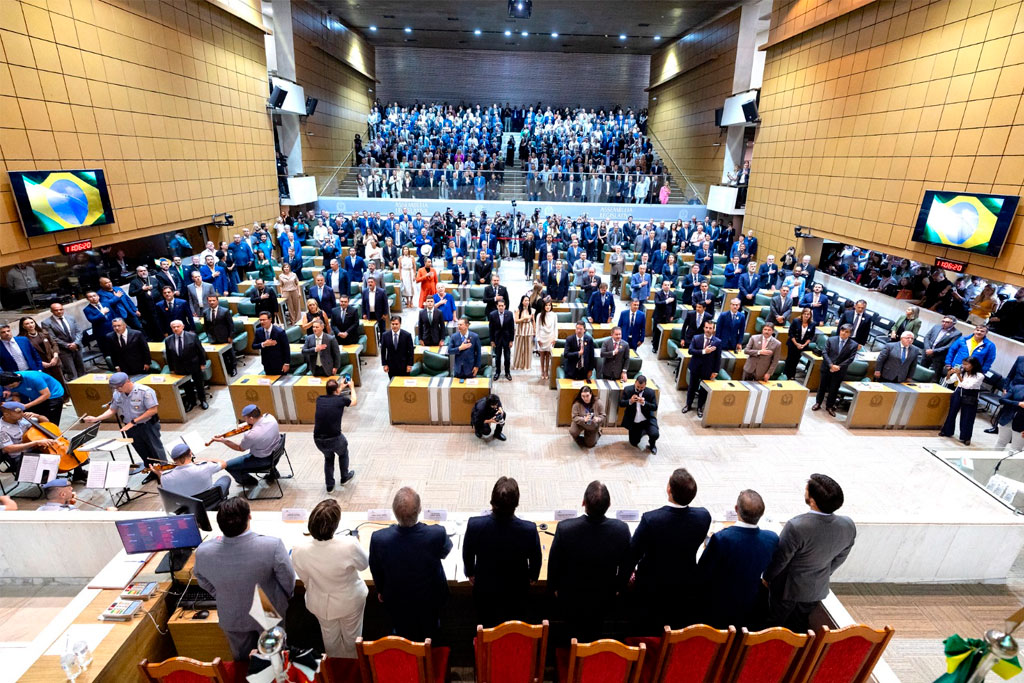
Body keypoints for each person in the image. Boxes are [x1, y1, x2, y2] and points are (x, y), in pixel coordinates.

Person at [194, 497, 295, 661]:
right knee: (274, 658)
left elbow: (201, 578)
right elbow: (288, 579)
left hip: (231, 612)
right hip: (267, 611)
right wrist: (283, 597)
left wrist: (220, 593)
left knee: (242, 662)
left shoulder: (203, 551)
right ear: (249, 516)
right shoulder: (272, 546)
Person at [764, 474, 856, 631]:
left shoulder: (797, 526)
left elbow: (781, 559)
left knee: (773, 625)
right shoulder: (848, 525)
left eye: (807, 490)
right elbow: (839, 559)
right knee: (799, 626)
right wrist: (822, 573)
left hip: (787, 590)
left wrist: (767, 577)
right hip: (816, 589)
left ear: (812, 501)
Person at [547, 481, 631, 642]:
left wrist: (554, 588)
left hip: (569, 597)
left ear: (583, 502)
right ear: (610, 504)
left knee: (571, 631)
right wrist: (619, 587)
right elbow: (627, 564)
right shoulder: (621, 529)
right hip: (604, 597)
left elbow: (554, 563)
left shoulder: (565, 528)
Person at [629, 469, 712, 631]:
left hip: (651, 585)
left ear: (669, 490)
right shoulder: (703, 516)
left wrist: (627, 576)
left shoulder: (651, 519)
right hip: (684, 583)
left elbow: (633, 553)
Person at [368, 487, 452, 641]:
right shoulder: (436, 534)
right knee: (431, 630)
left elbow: (375, 568)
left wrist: (381, 590)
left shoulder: (379, 539)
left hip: (397, 600)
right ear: (419, 509)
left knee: (402, 629)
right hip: (431, 599)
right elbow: (445, 551)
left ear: (393, 512)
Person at [291, 499, 369, 658]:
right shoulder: (350, 544)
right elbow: (364, 565)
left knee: (329, 639)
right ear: (335, 525)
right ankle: (353, 668)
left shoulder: (298, 549)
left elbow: (305, 579)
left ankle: (335, 668)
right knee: (352, 637)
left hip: (320, 603)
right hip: (350, 601)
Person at [462, 476, 542, 626]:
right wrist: (533, 576)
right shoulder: (529, 530)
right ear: (516, 503)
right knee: (515, 623)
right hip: (517, 592)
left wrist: (470, 572)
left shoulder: (475, 525)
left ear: (492, 501)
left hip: (485, 590)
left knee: (486, 622)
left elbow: (467, 553)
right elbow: (536, 559)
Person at [696, 489, 779, 629]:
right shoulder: (771, 538)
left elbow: (703, 569)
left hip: (719, 605)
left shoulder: (721, 539)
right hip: (751, 604)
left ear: (736, 509)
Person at [84, 373, 166, 467]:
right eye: (115, 388)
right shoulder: (117, 394)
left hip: (147, 425)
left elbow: (153, 410)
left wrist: (133, 422)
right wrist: (96, 418)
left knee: (155, 449)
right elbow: (112, 409)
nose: (118, 389)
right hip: (130, 427)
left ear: (128, 381)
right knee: (141, 450)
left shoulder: (145, 391)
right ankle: (151, 469)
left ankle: (164, 470)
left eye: (120, 386)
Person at [215, 404, 282, 487]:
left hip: (263, 460)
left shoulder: (251, 435)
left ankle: (250, 482)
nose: (245, 422)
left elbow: (240, 448)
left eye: (245, 419)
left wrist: (223, 440)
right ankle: (274, 473)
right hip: (276, 454)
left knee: (228, 465)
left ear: (251, 418)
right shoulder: (270, 417)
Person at [313, 378, 356, 491]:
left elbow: (333, 396)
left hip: (318, 440)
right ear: (336, 390)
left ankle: (330, 485)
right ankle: (344, 477)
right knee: (343, 453)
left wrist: (340, 388)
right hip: (334, 438)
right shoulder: (341, 400)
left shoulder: (319, 399)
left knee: (328, 458)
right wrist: (351, 387)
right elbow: (354, 402)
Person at [159, 442, 230, 509]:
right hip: (211, 501)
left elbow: (166, 487)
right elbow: (224, 463)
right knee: (225, 478)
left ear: (173, 459)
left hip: (188, 508)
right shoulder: (205, 467)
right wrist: (207, 459)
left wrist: (159, 474)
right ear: (190, 453)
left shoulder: (165, 477)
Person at [0, 401, 59, 479]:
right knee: (46, 468)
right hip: (20, 457)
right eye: (18, 412)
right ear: (7, 415)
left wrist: (38, 416)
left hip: (36, 449)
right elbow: (8, 448)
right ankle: (53, 487)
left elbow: (46, 422)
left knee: (69, 453)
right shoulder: (1, 429)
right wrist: (35, 443)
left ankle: (77, 476)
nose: (22, 413)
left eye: (22, 411)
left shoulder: (23, 419)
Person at [813, 324, 858, 416]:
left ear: (850, 334)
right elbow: (825, 353)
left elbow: (850, 359)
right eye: (842, 331)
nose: (844, 333)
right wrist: (831, 365)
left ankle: (829, 406)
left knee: (834, 388)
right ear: (840, 330)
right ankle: (818, 403)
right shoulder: (831, 340)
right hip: (827, 368)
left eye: (846, 332)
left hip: (839, 370)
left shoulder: (853, 345)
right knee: (822, 386)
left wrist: (838, 367)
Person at [165, 320, 209, 410]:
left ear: (183, 326)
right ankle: (191, 402)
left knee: (199, 384)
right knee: (187, 386)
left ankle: (203, 400)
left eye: (178, 326)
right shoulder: (168, 340)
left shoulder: (192, 336)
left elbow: (200, 351)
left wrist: (202, 363)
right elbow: (169, 356)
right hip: (179, 367)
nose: (176, 329)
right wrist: (172, 368)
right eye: (174, 327)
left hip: (194, 365)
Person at [940, 356, 984, 445]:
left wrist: (959, 375)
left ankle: (965, 437)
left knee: (967, 417)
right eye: (963, 364)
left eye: (966, 364)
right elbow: (949, 381)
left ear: (973, 365)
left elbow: (967, 386)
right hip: (958, 393)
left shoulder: (980, 376)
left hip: (970, 395)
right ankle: (947, 431)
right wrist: (949, 374)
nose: (963, 366)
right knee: (951, 413)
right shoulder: (962, 371)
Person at [683, 320, 722, 417]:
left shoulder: (717, 342)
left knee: (703, 390)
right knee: (692, 387)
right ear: (704, 328)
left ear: (713, 329)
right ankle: (688, 404)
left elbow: (718, 358)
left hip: (708, 369)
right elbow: (690, 351)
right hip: (696, 367)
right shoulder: (696, 338)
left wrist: (715, 371)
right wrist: (704, 351)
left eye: (710, 328)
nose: (708, 330)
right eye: (707, 327)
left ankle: (700, 407)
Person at [0, 370, 65, 425]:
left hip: (53, 395)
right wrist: (17, 405)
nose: (11, 388)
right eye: (8, 387)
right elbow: (16, 394)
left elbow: (46, 394)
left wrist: (27, 406)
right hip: (36, 396)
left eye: (13, 386)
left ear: (17, 381)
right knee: (34, 417)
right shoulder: (8, 382)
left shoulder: (33, 378)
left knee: (50, 422)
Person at [17, 317, 64, 389]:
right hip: (40, 365)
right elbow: (26, 354)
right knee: (48, 384)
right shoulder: (22, 339)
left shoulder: (43, 332)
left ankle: (65, 398)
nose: (30, 325)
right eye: (27, 324)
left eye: (32, 322)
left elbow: (54, 344)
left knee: (60, 381)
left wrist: (55, 357)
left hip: (53, 361)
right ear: (23, 326)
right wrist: (40, 362)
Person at [43, 303, 85, 380]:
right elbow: (52, 338)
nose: (59, 311)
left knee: (81, 369)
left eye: (61, 309)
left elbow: (78, 331)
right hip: (64, 350)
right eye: (56, 310)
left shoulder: (70, 318)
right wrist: (67, 345)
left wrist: (76, 343)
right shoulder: (47, 323)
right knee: (71, 372)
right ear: (51, 311)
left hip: (77, 347)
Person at [620, 374, 659, 453]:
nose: (639, 389)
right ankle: (643, 432)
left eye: (642, 387)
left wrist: (645, 403)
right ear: (635, 383)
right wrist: (630, 401)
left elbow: (655, 407)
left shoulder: (650, 392)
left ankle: (652, 444)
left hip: (647, 419)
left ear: (645, 385)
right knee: (633, 442)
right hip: (635, 422)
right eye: (638, 387)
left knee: (654, 434)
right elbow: (621, 403)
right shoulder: (628, 390)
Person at [203, 296, 237, 376]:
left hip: (225, 337)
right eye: (210, 301)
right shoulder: (205, 312)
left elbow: (231, 325)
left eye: (213, 300)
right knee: (220, 356)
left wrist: (230, 336)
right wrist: (208, 335)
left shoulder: (225, 311)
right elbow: (206, 325)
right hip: (213, 338)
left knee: (229, 354)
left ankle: (233, 369)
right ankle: (225, 370)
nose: (212, 302)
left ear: (217, 301)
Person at [784, 308, 816, 380]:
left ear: (810, 316)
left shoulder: (812, 324)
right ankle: (785, 374)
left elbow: (811, 336)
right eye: (805, 314)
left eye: (808, 314)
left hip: (802, 345)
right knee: (790, 359)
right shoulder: (796, 321)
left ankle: (792, 375)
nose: (806, 316)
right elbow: (791, 334)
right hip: (793, 344)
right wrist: (796, 344)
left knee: (796, 360)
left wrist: (804, 345)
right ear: (802, 314)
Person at [488, 299, 515, 381]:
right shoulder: (492, 315)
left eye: (502, 306)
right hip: (497, 339)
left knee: (507, 357)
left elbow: (512, 328)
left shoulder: (509, 314)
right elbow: (491, 329)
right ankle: (497, 372)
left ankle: (507, 372)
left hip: (507, 339)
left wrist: (511, 340)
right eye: (499, 306)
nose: (501, 307)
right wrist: (492, 340)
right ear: (497, 306)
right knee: (497, 357)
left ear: (505, 306)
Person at [651, 279, 677, 352]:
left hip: (667, 317)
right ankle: (655, 347)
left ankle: (661, 348)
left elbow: (674, 306)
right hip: (658, 316)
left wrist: (672, 316)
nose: (667, 286)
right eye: (665, 285)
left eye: (668, 285)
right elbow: (657, 303)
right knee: (656, 333)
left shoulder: (673, 294)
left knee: (665, 333)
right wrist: (666, 301)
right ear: (662, 286)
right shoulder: (658, 293)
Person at [534, 300, 557, 380]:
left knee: (548, 355)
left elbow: (555, 327)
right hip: (542, 337)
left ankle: (547, 371)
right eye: (546, 305)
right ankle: (542, 371)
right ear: (544, 306)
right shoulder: (539, 315)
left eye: (549, 305)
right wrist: (538, 339)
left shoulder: (554, 315)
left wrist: (555, 338)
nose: (548, 307)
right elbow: (537, 328)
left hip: (550, 337)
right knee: (542, 355)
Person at [512, 295, 535, 371]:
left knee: (528, 348)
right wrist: (524, 318)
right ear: (522, 302)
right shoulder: (518, 310)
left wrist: (534, 330)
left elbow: (533, 321)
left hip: (528, 329)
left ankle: (527, 365)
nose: (527, 302)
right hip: (520, 329)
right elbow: (516, 320)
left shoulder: (531, 310)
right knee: (519, 347)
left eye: (528, 300)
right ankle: (517, 365)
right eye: (525, 300)